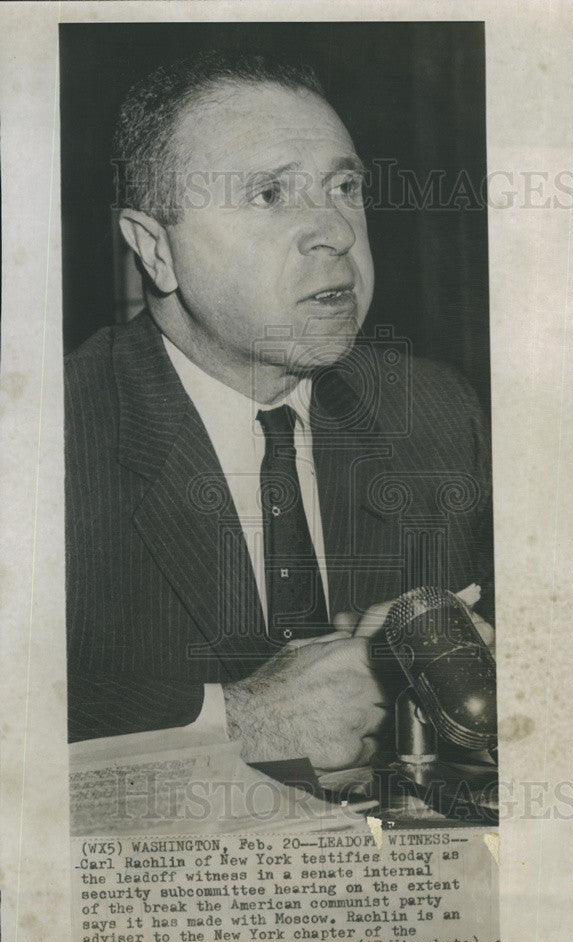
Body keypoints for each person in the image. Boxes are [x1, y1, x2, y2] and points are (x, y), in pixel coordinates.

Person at [65, 50, 493, 769]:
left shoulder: (435, 413)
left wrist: (462, 664)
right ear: (154, 249)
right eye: (269, 194)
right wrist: (234, 721)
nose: (334, 232)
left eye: (345, 185)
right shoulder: (46, 438)